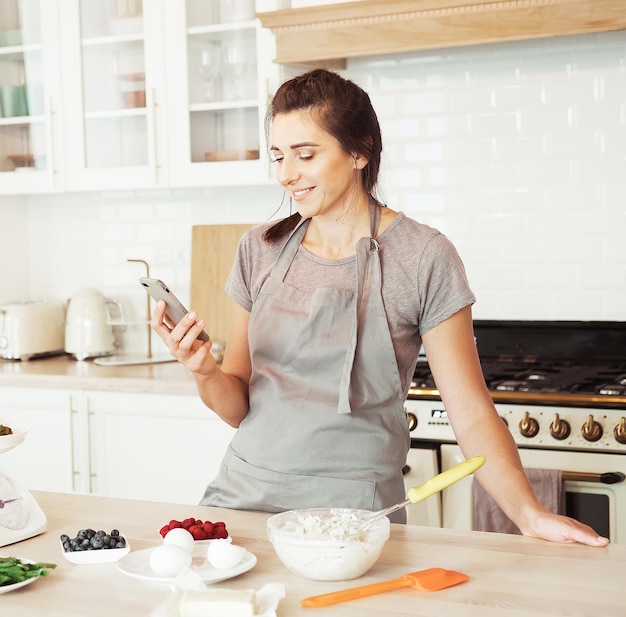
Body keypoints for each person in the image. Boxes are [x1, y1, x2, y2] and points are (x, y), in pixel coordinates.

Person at [151, 68, 608, 547]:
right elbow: (237, 406)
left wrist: (530, 515)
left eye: (305, 155)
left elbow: (471, 414)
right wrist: (204, 371)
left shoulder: (423, 255)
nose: (287, 174)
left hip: (355, 515)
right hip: (243, 497)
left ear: (359, 151)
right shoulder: (258, 248)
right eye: (279, 156)